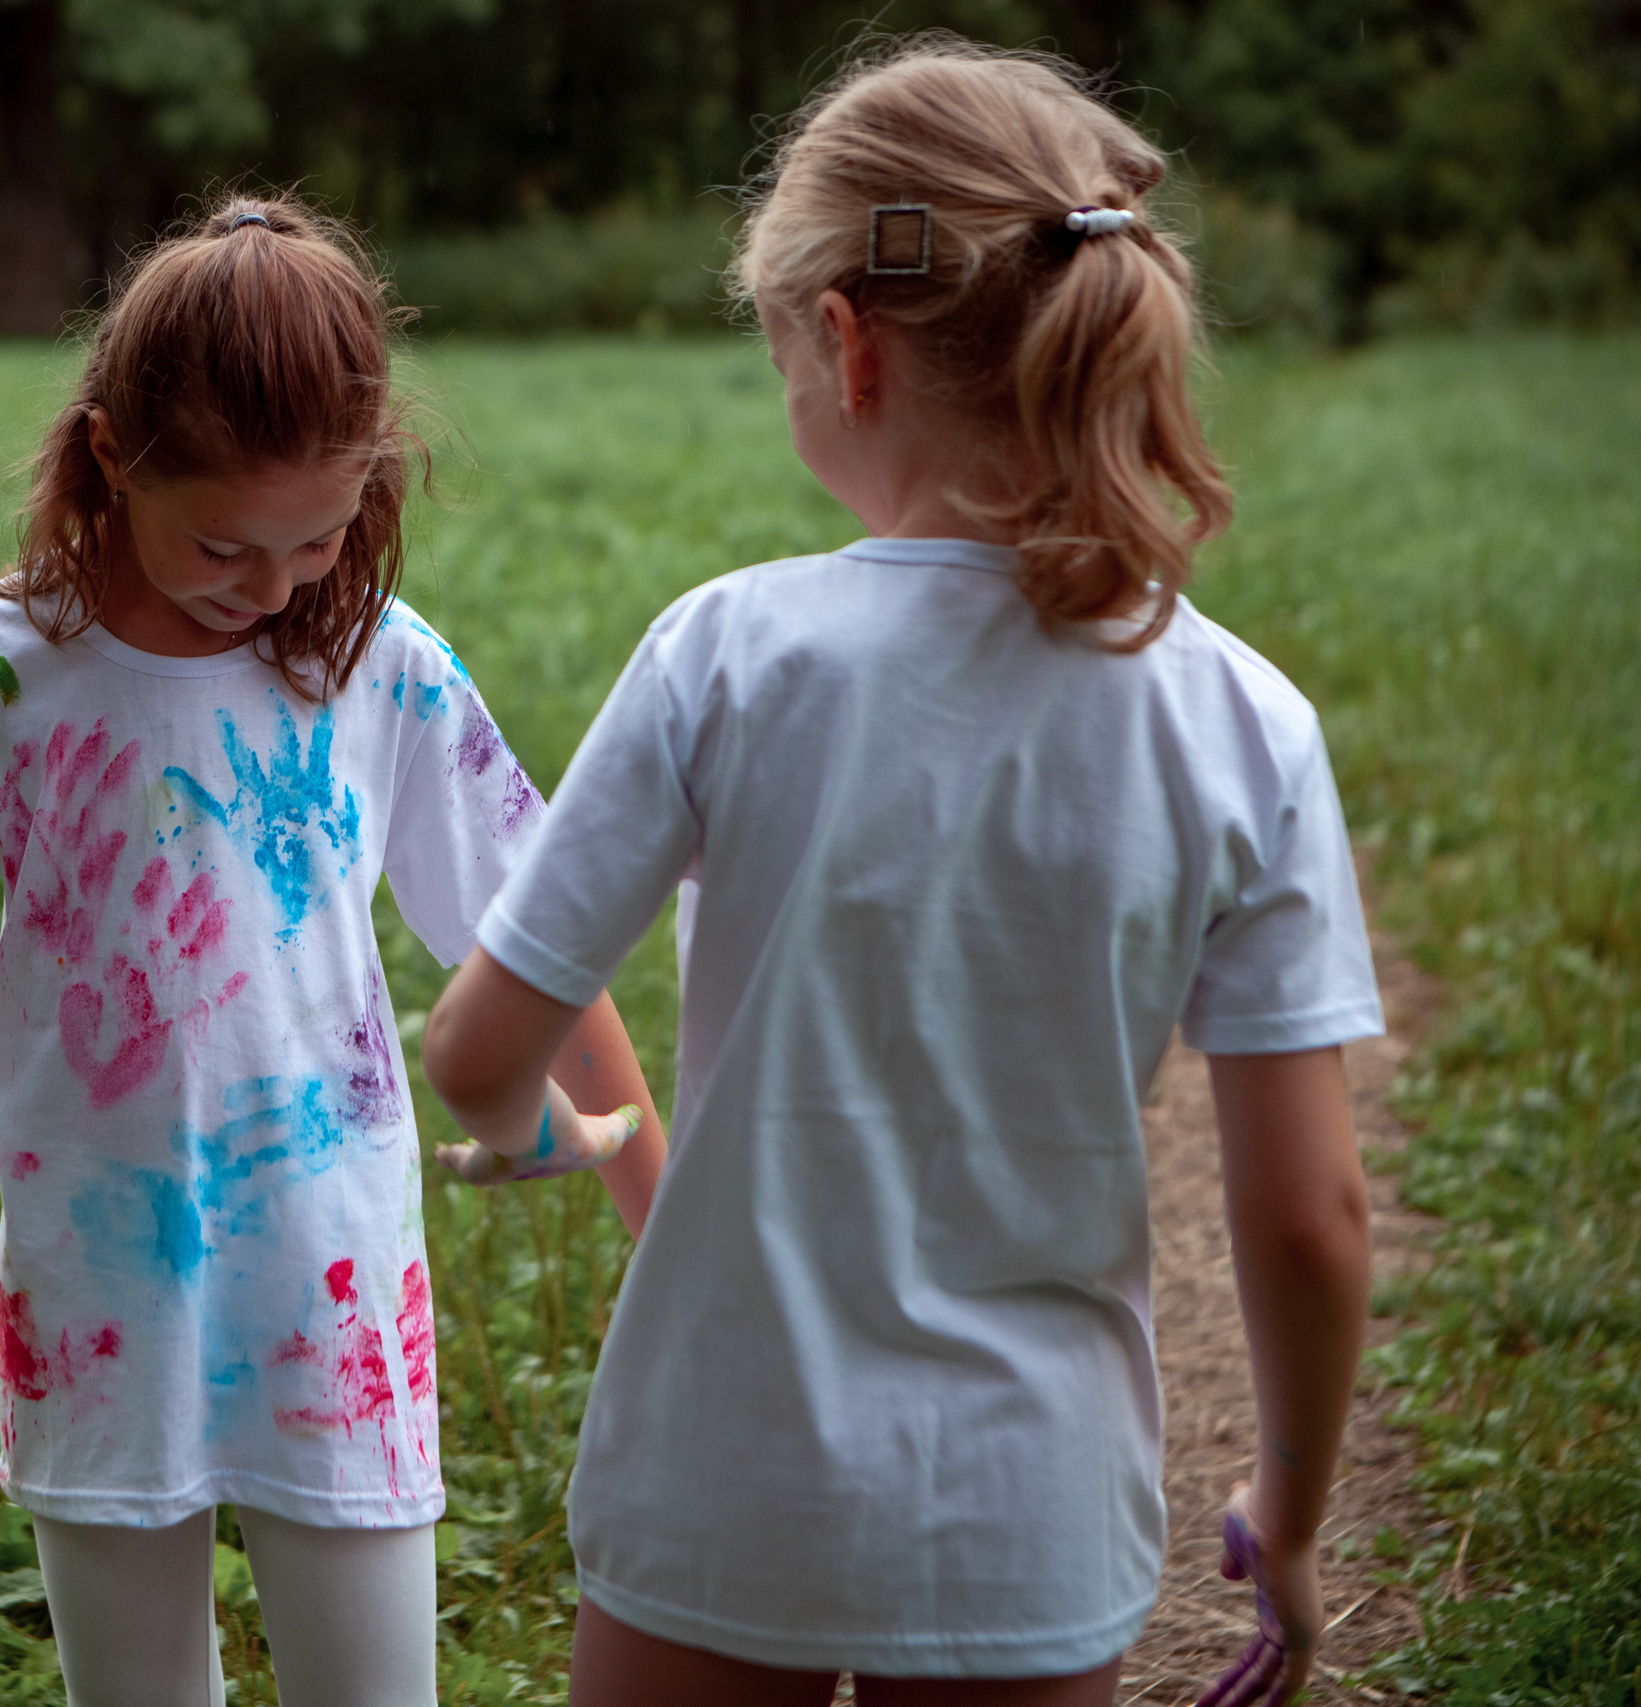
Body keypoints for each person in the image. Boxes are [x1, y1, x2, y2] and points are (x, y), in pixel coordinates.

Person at [419, 39, 1379, 1707]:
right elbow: (1308, 1220)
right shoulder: (1245, 723)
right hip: (1034, 1517)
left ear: (846, 348)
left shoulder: (728, 654)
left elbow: (481, 1049)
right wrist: (1287, 1517)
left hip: (719, 1486)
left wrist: (527, 1139)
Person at [0, 194, 666, 1707]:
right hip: (99, 1314)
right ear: (106, 460)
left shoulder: (384, 670)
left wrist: (665, 1235)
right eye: (225, 543)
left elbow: (543, 962)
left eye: (321, 538)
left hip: (336, 1309)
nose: (276, 588)